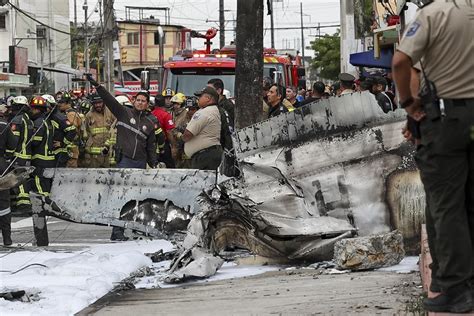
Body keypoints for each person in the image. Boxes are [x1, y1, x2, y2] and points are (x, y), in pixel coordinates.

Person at [392, 0, 474, 312]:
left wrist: (409, 106)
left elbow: (402, 62)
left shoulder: (433, 14)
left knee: (446, 204)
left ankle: (455, 287)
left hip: (448, 119)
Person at [87, 75, 159, 241]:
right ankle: (117, 232)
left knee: (137, 198)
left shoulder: (149, 123)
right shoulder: (123, 113)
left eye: (144, 101)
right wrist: (97, 85)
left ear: (147, 104)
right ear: (134, 101)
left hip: (140, 163)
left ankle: (134, 230)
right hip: (124, 160)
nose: (140, 103)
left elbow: (151, 147)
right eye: (138, 100)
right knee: (121, 197)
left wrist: (153, 163)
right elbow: (109, 99)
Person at [180, 86, 222, 170]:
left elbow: (188, 134)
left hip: (203, 156)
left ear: (208, 98)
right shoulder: (215, 110)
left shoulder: (204, 112)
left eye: (200, 96)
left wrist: (180, 137)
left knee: (201, 182)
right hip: (212, 153)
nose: (198, 99)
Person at [7, 96, 34, 213]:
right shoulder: (28, 119)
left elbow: (14, 139)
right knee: (25, 178)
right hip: (27, 154)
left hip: (19, 155)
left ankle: (23, 204)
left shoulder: (17, 120)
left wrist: (8, 154)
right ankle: (23, 202)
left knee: (19, 179)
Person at [30, 96, 56, 197]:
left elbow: (36, 141)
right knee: (46, 184)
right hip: (50, 158)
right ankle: (49, 203)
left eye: (32, 109)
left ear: (37, 109)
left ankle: (44, 204)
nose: (31, 111)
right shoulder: (48, 121)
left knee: (39, 183)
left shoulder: (38, 122)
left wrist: (29, 138)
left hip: (40, 158)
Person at [83, 94, 116, 168]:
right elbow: (86, 132)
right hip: (94, 153)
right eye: (95, 103)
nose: (98, 105)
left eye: (99, 102)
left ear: (103, 102)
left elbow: (116, 128)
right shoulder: (89, 115)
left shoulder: (110, 112)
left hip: (109, 151)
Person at [0, 104, 17, 246]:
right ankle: (7, 238)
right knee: (4, 203)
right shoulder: (5, 125)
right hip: (1, 167)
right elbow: (13, 145)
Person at [57, 94, 83, 168]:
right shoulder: (67, 113)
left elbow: (72, 132)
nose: (59, 104)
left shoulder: (71, 114)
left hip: (71, 148)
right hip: (69, 148)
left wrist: (62, 143)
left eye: (62, 103)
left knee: (70, 171)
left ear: (68, 104)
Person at [152, 95, 177, 168]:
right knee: (170, 167)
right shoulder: (166, 115)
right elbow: (169, 132)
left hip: (152, 145)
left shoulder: (151, 114)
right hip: (163, 146)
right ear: (164, 103)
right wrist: (173, 146)